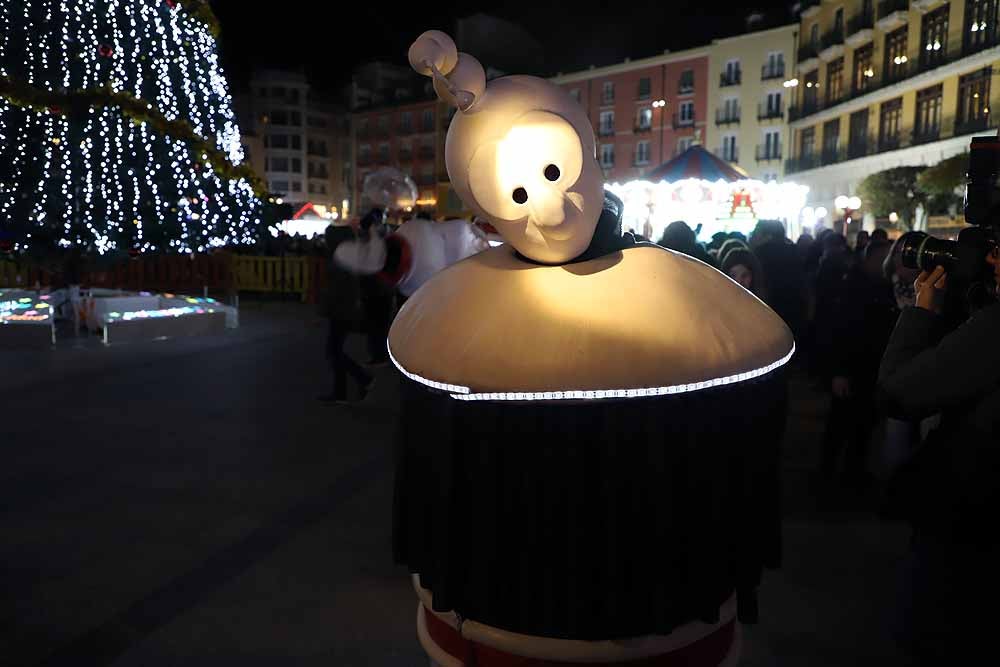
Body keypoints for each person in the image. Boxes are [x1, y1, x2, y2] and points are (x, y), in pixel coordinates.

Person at [878, 251, 1000, 664]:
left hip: (968, 524)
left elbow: (898, 391)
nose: (990, 262)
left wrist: (922, 311)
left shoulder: (993, 331)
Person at [819, 239, 896, 487]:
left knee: (862, 425)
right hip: (852, 367)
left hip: (870, 367)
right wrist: (839, 371)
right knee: (840, 425)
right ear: (870, 258)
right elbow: (840, 330)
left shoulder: (882, 286)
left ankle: (852, 472)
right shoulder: (852, 286)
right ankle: (828, 473)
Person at [319, 224, 374, 404]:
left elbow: (339, 288)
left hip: (341, 309)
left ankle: (360, 379)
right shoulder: (347, 255)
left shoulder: (342, 259)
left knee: (333, 350)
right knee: (334, 350)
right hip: (343, 308)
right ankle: (344, 390)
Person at [750, 220, 806, 339]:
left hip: (771, 310)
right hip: (797, 308)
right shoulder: (795, 251)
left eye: (757, 233)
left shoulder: (759, 253)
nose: (754, 236)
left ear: (768, 236)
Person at [358, 209, 393, 366]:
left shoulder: (367, 242)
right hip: (385, 286)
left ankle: (378, 355)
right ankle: (382, 355)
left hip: (373, 287)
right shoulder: (389, 237)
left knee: (374, 324)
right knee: (382, 324)